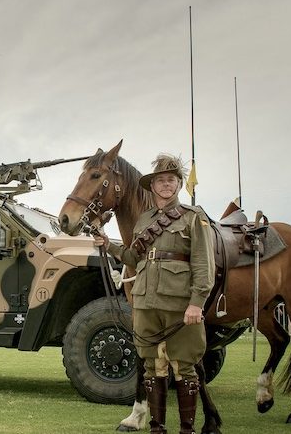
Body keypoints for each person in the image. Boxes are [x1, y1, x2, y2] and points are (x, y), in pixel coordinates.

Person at [95, 154, 214, 434]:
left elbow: (203, 264)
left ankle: (187, 430)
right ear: (152, 186)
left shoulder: (193, 217)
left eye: (171, 180)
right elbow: (133, 258)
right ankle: (157, 428)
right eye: (160, 180)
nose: (165, 185)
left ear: (178, 184)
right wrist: (107, 244)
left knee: (185, 369)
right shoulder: (144, 220)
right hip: (146, 303)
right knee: (152, 368)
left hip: (179, 304)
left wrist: (197, 303)